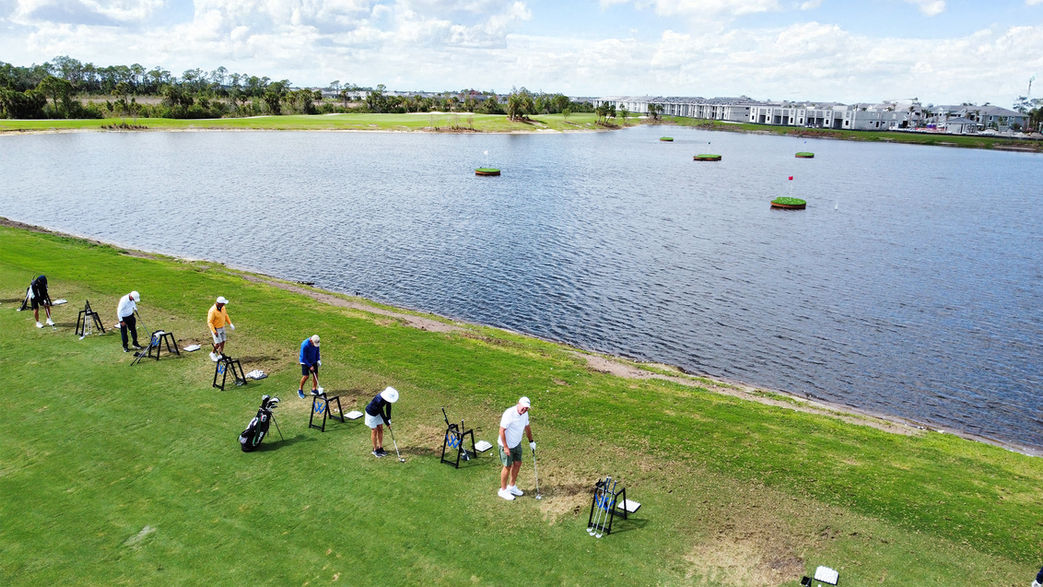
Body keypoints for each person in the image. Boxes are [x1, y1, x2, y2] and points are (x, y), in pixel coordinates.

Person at [497, 396, 536, 501]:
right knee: (507, 466)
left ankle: (512, 486)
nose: (525, 410)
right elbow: (501, 431)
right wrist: (505, 447)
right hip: (506, 445)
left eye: (527, 408)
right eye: (523, 407)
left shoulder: (525, 414)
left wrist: (531, 441)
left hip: (516, 444)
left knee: (518, 463)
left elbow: (527, 428)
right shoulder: (509, 414)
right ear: (518, 404)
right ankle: (503, 490)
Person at [364, 386, 399, 457]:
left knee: (380, 428)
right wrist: (387, 423)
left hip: (378, 413)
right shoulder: (378, 400)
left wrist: (389, 418)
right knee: (374, 430)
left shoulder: (387, 399)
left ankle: (380, 447)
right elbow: (382, 413)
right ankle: (375, 449)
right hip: (371, 413)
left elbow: (388, 407)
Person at [207, 296, 234, 361]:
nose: (224, 305)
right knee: (218, 343)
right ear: (219, 303)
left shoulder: (223, 308)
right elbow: (210, 322)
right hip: (216, 329)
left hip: (222, 327)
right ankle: (212, 353)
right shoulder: (212, 311)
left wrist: (230, 323)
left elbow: (225, 315)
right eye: (223, 303)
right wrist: (214, 331)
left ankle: (220, 354)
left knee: (223, 341)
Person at [297, 334, 321, 399]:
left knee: (315, 374)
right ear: (311, 341)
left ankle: (313, 389)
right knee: (306, 376)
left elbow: (317, 352)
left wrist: (318, 360)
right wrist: (310, 366)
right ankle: (300, 390)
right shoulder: (304, 345)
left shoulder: (316, 343)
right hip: (305, 362)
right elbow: (303, 358)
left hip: (313, 360)